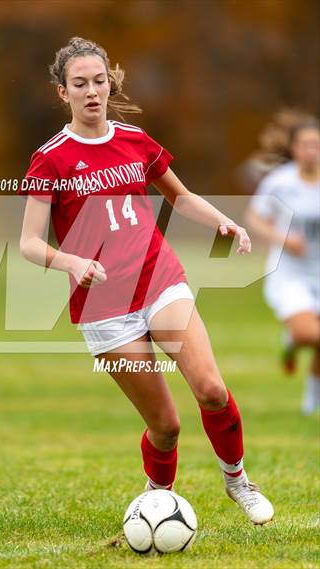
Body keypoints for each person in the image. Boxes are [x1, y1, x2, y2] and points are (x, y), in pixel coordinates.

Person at [18, 37, 274, 525]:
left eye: (99, 81)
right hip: (104, 305)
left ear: (108, 84)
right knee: (166, 426)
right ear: (62, 92)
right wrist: (71, 262)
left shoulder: (135, 140)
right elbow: (30, 242)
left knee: (212, 390)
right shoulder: (50, 158)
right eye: (80, 84)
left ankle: (238, 480)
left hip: (160, 279)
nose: (92, 91)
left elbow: (180, 197)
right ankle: (157, 503)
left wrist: (224, 220)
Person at [246, 113, 320, 415]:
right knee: (308, 334)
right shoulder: (280, 182)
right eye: (306, 144)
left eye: (316, 144)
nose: (312, 150)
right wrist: (283, 239)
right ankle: (294, 337)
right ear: (293, 148)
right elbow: (254, 217)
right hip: (289, 273)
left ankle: (312, 398)